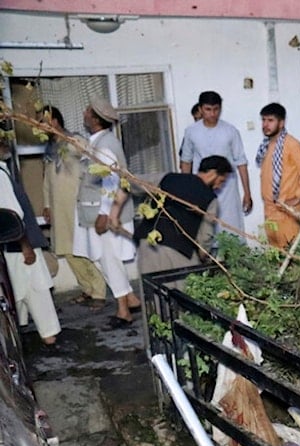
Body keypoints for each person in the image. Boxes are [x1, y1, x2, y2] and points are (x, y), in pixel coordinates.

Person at [74, 99, 142, 328]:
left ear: (95, 118)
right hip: (98, 211)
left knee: (109, 261)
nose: (84, 112)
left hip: (105, 213)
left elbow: (112, 182)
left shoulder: (105, 145)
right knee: (106, 260)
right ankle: (130, 298)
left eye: (87, 110)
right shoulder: (99, 142)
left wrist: (105, 214)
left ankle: (124, 310)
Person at [40, 105, 108, 306]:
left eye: (43, 121)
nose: (40, 126)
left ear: (54, 122)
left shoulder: (75, 140)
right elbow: (47, 181)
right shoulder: (49, 149)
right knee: (66, 249)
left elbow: (94, 163)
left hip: (75, 205)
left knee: (79, 248)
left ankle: (99, 291)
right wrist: (46, 205)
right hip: (57, 206)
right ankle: (87, 289)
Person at [0, 142, 61, 345]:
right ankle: (48, 337)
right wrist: (26, 245)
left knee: (19, 291)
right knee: (37, 291)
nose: (6, 145)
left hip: (12, 245)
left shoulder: (3, 170)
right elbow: (12, 214)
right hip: (18, 244)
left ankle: (25, 333)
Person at [133, 155, 232, 279]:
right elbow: (205, 237)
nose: (220, 187)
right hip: (178, 252)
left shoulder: (168, 178)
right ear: (213, 173)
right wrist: (204, 258)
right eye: (221, 181)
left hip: (147, 245)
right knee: (182, 294)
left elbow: (133, 181)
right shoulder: (210, 199)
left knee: (152, 294)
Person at [179, 91, 252, 240]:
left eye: (216, 109)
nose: (212, 114)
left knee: (231, 232)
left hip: (227, 189)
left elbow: (241, 162)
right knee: (205, 233)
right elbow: (186, 162)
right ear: (200, 109)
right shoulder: (191, 132)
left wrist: (247, 193)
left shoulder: (230, 131)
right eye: (208, 109)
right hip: (201, 187)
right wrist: (186, 192)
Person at [255, 103, 300, 249]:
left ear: (281, 123)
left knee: (291, 254)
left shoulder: (291, 144)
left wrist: (298, 197)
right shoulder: (266, 145)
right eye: (263, 120)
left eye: (270, 120)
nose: (265, 125)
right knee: (275, 255)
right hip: (270, 209)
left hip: (287, 211)